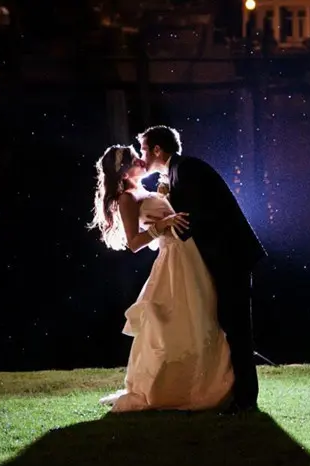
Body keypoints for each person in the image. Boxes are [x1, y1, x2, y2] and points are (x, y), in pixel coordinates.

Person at [88, 144, 234, 412]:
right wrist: (161, 226)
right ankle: (174, 386)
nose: (141, 161)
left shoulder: (144, 190)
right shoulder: (127, 199)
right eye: (134, 160)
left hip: (188, 253)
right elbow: (134, 243)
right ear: (123, 174)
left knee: (200, 312)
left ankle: (203, 376)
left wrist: (165, 198)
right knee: (176, 319)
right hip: (174, 259)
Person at [138, 125, 267, 413]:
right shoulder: (176, 172)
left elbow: (192, 216)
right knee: (227, 322)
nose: (142, 156)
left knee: (236, 327)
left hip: (230, 256)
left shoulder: (187, 169)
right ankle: (236, 393)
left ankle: (246, 400)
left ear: (158, 149)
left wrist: (170, 217)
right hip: (221, 256)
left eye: (144, 150)